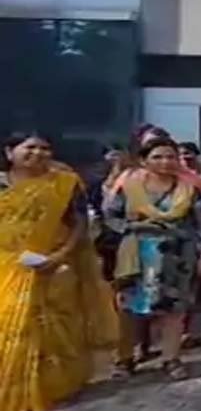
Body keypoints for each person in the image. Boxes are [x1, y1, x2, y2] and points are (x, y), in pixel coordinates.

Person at [0, 132, 118, 411]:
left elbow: (78, 223)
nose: (38, 153)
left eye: (45, 148)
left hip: (53, 265)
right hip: (5, 268)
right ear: (9, 152)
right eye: (30, 147)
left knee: (56, 327)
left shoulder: (65, 184)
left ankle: (56, 387)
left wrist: (60, 255)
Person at [104, 137, 201, 380]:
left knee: (174, 309)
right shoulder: (128, 186)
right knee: (128, 309)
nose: (165, 162)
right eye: (157, 157)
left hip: (178, 255)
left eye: (170, 156)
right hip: (136, 254)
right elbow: (111, 216)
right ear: (143, 160)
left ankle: (171, 359)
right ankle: (124, 359)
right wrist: (133, 227)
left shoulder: (190, 188)